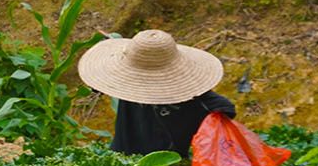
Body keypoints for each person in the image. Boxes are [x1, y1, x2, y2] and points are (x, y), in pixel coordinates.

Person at [77, 29, 236, 157]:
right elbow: (100, 81)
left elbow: (225, 108)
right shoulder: (130, 83)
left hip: (164, 162)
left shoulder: (192, 97)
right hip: (128, 154)